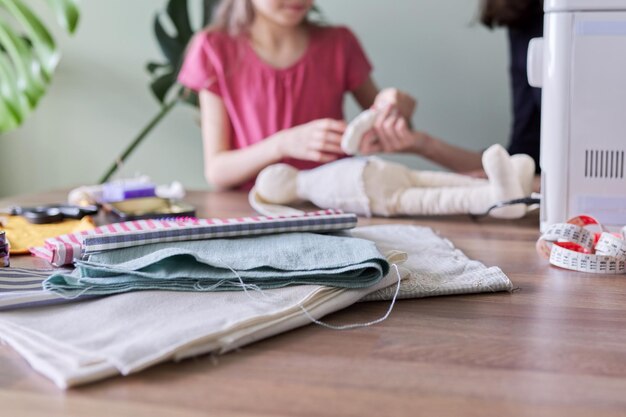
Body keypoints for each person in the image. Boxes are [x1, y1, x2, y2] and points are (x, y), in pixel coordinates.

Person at [177, 0, 416, 190]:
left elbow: (389, 128)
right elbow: (217, 171)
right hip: (250, 211)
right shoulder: (213, 48)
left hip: (334, 202)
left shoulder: (340, 44)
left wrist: (393, 111)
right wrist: (283, 144)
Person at [361, 0, 544, 180]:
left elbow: (532, 177)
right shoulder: (525, 20)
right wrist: (422, 144)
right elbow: (524, 159)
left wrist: (536, 185)